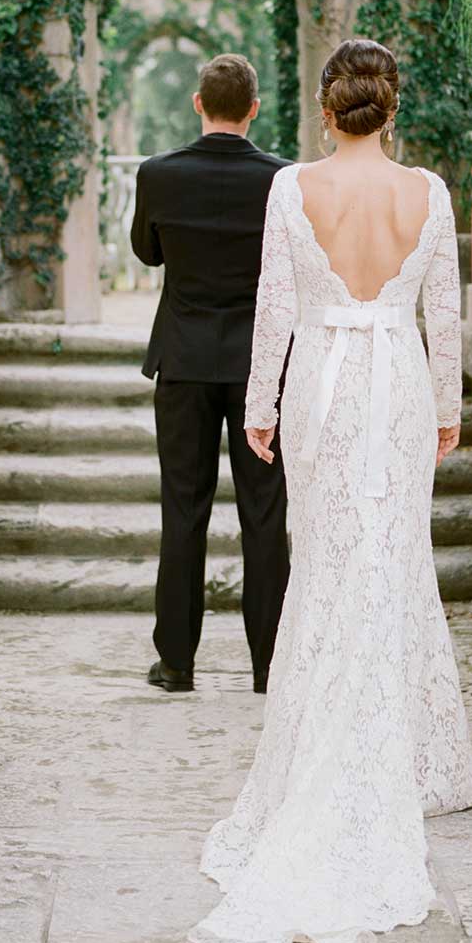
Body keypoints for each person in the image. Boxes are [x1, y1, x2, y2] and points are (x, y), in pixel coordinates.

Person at [188, 37, 472, 943]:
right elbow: (445, 313)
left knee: (324, 563)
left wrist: (261, 406)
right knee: (391, 559)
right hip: (398, 385)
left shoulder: (293, 187)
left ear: (327, 109)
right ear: (391, 108)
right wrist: (447, 407)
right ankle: (399, 754)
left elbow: (275, 305)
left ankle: (322, 754)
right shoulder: (428, 192)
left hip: (318, 385)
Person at [131, 53, 291, 696]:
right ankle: (269, 664)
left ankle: (176, 662)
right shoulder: (283, 180)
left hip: (184, 360)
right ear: (254, 108)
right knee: (265, 513)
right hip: (262, 366)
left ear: (198, 103)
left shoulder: (158, 173)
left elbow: (147, 253)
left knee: (183, 510)